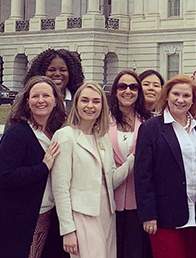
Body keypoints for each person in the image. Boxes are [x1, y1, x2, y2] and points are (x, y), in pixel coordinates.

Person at [0, 76, 65, 258]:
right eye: (35, 96)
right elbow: (6, 176)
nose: (40, 100)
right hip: (10, 216)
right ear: (27, 101)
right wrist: (43, 167)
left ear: (56, 101)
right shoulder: (18, 132)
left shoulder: (57, 131)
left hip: (42, 211)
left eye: (46, 96)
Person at [52, 81, 134, 258]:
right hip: (82, 215)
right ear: (76, 104)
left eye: (96, 101)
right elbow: (60, 188)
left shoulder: (102, 137)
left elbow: (110, 180)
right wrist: (67, 230)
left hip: (106, 214)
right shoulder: (65, 136)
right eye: (85, 100)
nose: (90, 106)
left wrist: (133, 158)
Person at [135, 74, 196, 258]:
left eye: (186, 96)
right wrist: (148, 214)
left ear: (193, 100)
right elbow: (143, 174)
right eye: (176, 94)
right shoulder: (151, 128)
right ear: (167, 96)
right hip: (165, 216)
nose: (180, 100)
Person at [107, 70, 152, 258]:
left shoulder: (149, 122)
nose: (128, 91)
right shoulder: (102, 122)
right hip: (109, 203)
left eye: (133, 87)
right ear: (115, 91)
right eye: (122, 86)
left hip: (138, 203)